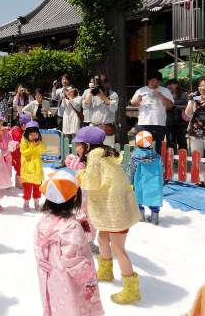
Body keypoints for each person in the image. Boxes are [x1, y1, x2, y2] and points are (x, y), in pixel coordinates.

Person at [73, 126, 141, 304]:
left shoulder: (95, 156)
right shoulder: (102, 154)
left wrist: (79, 169)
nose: (76, 149)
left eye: (78, 145)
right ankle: (105, 270)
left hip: (115, 209)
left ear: (87, 146)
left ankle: (131, 289)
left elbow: (91, 183)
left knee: (118, 249)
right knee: (103, 238)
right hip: (112, 206)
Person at [34, 170, 103, 316]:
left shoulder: (43, 222)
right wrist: (88, 278)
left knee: (57, 306)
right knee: (75, 308)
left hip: (51, 277)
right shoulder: (71, 226)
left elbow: (38, 249)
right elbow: (72, 258)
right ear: (73, 200)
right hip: (71, 280)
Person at [131, 71, 174, 153]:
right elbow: (133, 104)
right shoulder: (141, 90)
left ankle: (156, 164)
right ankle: (143, 164)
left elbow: (170, 105)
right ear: (148, 81)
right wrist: (138, 100)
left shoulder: (165, 91)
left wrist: (160, 96)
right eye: (152, 81)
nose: (155, 84)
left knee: (157, 148)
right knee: (142, 147)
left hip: (159, 123)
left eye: (157, 82)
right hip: (144, 123)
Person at [126, 131, 164, 225]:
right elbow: (162, 169)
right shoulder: (156, 156)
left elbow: (131, 170)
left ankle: (140, 216)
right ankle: (155, 216)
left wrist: (129, 181)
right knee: (154, 197)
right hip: (154, 181)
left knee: (138, 198)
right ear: (151, 142)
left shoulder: (135, 156)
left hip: (140, 181)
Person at [82, 74, 119, 147]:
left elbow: (114, 108)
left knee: (108, 153)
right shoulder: (89, 93)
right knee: (92, 151)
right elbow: (85, 106)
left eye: (99, 83)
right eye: (96, 84)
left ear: (106, 84)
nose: (97, 85)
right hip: (93, 126)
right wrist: (91, 94)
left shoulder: (113, 95)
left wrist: (103, 96)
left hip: (106, 128)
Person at [20, 121, 45, 211]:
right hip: (27, 169)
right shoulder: (24, 142)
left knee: (37, 187)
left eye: (36, 134)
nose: (34, 137)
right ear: (27, 134)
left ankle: (36, 203)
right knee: (27, 188)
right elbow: (24, 153)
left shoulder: (40, 142)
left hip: (37, 169)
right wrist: (32, 147)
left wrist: (38, 146)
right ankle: (26, 203)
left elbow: (42, 150)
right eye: (31, 134)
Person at [0, 114, 17, 179]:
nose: (2, 122)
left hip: (6, 153)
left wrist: (12, 144)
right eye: (0, 121)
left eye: (1, 120)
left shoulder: (4, 131)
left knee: (7, 167)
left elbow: (9, 139)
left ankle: (6, 181)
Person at [165, 79, 189, 151]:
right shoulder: (165, 96)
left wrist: (179, 107)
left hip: (182, 121)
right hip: (169, 121)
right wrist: (169, 107)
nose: (169, 86)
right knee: (170, 141)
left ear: (176, 85)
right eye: (167, 85)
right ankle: (171, 159)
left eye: (171, 84)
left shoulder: (183, 95)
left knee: (182, 141)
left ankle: (183, 158)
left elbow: (189, 106)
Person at [11, 114, 31, 188]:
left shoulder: (23, 130)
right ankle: (19, 183)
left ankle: (23, 181)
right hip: (17, 153)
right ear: (20, 124)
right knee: (19, 167)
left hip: (23, 152)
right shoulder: (16, 131)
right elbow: (17, 143)